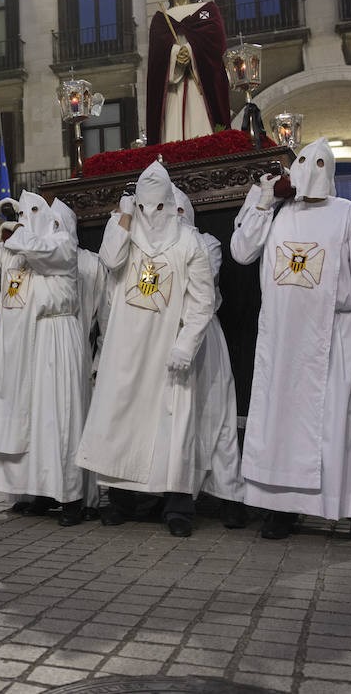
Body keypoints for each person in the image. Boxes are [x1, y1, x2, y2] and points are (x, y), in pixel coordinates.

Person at [229, 137, 351, 553]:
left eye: (319, 161)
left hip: (337, 336)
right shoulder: (276, 212)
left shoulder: (349, 215)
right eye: (302, 160)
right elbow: (242, 251)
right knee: (281, 424)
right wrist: (261, 202)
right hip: (284, 338)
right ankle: (280, 508)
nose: (310, 168)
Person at [79, 163, 215, 537]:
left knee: (172, 427)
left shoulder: (190, 242)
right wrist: (123, 216)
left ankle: (177, 506)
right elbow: (110, 260)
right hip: (125, 348)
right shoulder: (125, 230)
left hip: (166, 351)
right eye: (142, 207)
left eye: (157, 207)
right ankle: (122, 501)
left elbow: (202, 301)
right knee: (122, 421)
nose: (150, 216)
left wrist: (186, 344)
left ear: (171, 205)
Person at [0, 192, 90, 525]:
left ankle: (71, 497)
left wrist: (18, 228)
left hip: (55, 339)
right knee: (30, 422)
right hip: (20, 347)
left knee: (59, 420)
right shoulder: (12, 256)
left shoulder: (63, 249)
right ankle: (38, 492)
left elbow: (44, 250)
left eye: (33, 215)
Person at [172, 185, 248, 526]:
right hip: (165, 337)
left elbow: (197, 284)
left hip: (204, 336)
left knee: (216, 415)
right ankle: (175, 492)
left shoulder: (208, 243)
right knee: (176, 421)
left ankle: (230, 494)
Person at [144, 0, 232, 143]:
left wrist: (191, 52)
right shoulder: (161, 18)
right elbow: (157, 52)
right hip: (173, 87)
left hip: (198, 82)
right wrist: (176, 55)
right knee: (173, 132)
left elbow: (215, 41)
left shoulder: (207, 10)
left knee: (203, 127)